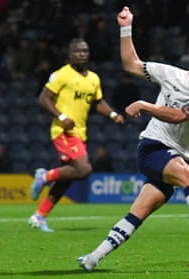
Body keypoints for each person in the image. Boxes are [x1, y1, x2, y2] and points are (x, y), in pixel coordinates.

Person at [77, 7, 189, 272]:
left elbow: (177, 117)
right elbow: (130, 64)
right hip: (152, 148)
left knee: (138, 213)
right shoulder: (171, 74)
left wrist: (144, 105)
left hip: (174, 154)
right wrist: (126, 27)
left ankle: (93, 257)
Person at [28, 38, 125, 232]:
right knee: (84, 169)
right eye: (78, 51)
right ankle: (45, 176)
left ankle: (39, 216)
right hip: (63, 131)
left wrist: (113, 114)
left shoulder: (94, 79)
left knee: (67, 178)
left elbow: (98, 103)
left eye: (85, 51)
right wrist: (62, 117)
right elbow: (43, 98)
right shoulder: (62, 75)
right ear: (69, 54)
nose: (82, 54)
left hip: (80, 133)